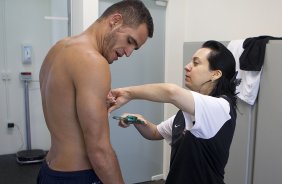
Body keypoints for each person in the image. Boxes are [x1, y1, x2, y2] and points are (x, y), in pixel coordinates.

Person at [37, 0, 154, 184]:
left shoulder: (58, 49)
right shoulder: (93, 62)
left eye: (135, 48)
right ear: (115, 20)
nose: (129, 53)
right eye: (130, 41)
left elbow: (65, 113)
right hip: (77, 177)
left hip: (49, 171)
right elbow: (99, 150)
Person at [109, 40, 241, 184]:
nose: (187, 67)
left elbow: (171, 92)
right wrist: (137, 119)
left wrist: (128, 93)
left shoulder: (220, 107)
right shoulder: (187, 112)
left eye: (196, 63)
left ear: (215, 74)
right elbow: (155, 132)